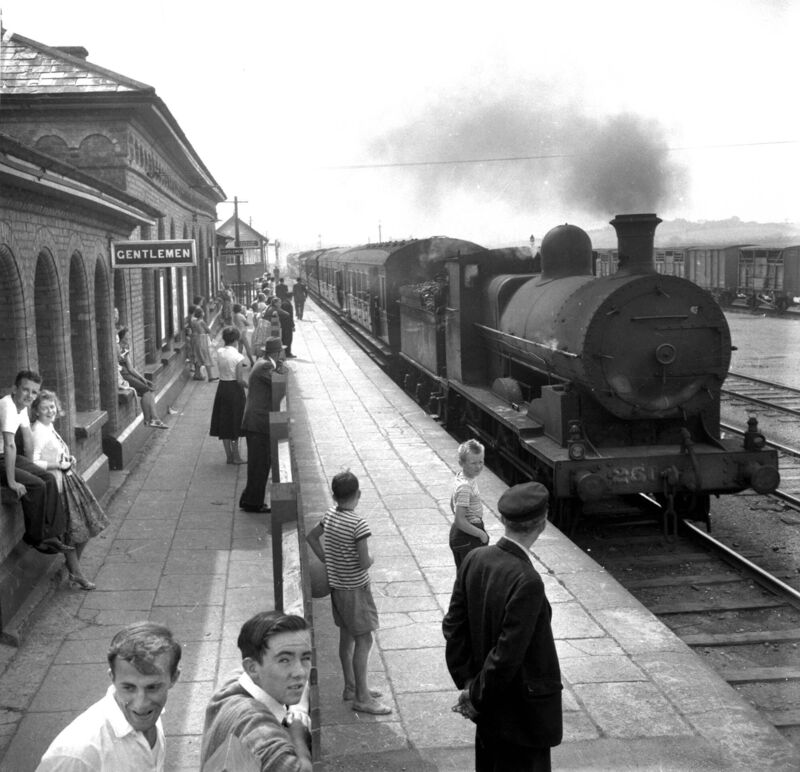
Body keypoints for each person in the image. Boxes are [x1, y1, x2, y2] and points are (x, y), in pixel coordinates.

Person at [442, 482, 563, 772]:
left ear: (504, 520)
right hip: (521, 718)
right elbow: (507, 655)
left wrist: (469, 682)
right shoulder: (528, 581)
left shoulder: (475, 558)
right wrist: (475, 695)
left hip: (488, 714)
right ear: (543, 524)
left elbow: (453, 627)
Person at [36, 621, 182, 771]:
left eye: (152, 687)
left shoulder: (150, 715)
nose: (141, 704)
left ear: (174, 678)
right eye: (128, 688)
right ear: (112, 678)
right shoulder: (76, 755)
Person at [306, 471, 392, 715]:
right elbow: (364, 562)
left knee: (347, 639)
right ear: (359, 494)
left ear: (333, 495)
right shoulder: (358, 524)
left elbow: (311, 537)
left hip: (338, 588)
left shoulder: (330, 515)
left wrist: (326, 559)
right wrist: (373, 557)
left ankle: (351, 687)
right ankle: (362, 698)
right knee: (365, 639)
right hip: (356, 590)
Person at [200, 611, 313, 771]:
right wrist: (298, 738)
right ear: (252, 668)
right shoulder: (260, 734)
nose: (300, 672)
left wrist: (297, 708)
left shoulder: (233, 681)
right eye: (284, 660)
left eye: (305, 658)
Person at [31, 390, 109, 590]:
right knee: (75, 531)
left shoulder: (49, 427)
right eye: (45, 408)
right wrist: (56, 464)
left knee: (87, 525)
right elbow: (33, 462)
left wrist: (68, 458)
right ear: (36, 411)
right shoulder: (38, 431)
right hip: (59, 487)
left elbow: (55, 453)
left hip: (70, 481)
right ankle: (76, 572)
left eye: (52, 406)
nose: (50, 411)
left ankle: (73, 569)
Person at [0, 370, 71, 554]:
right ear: (14, 389)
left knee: (47, 478)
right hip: (2, 456)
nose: (29, 396)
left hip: (6, 456)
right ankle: (34, 538)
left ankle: (52, 534)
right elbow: (9, 445)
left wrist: (31, 466)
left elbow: (28, 438)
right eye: (25, 390)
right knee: (37, 485)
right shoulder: (7, 406)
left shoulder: (21, 407)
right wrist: (12, 481)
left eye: (34, 392)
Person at [238, 338, 285, 513]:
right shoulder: (266, 366)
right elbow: (280, 382)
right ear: (278, 353)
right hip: (258, 423)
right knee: (260, 464)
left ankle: (250, 500)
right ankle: (253, 503)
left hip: (257, 422)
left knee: (259, 463)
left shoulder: (263, 362)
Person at [210, 326, 248, 465]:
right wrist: (249, 386)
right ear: (236, 340)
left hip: (222, 387)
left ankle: (229, 456)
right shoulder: (238, 357)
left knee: (224, 422)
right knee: (235, 422)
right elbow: (239, 380)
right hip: (234, 390)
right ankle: (237, 456)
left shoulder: (220, 352)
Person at [116, 328, 169, 428]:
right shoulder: (117, 348)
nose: (128, 338)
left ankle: (151, 419)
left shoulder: (125, 348)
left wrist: (142, 379)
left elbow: (131, 368)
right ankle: (152, 419)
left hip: (128, 375)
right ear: (121, 337)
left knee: (150, 390)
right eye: (126, 336)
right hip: (123, 377)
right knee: (146, 390)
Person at [449, 439, 489, 568]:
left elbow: (452, 503)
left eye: (481, 462)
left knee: (464, 578)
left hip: (463, 533)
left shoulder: (462, 477)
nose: (478, 466)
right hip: (468, 537)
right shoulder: (465, 486)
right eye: (473, 463)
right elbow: (460, 520)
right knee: (472, 579)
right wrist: (481, 534)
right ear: (461, 463)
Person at [191, 307, 218, 382]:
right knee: (206, 357)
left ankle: (197, 374)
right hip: (202, 339)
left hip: (195, 340)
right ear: (202, 314)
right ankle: (210, 377)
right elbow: (208, 330)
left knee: (198, 357)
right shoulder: (201, 322)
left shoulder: (193, 322)